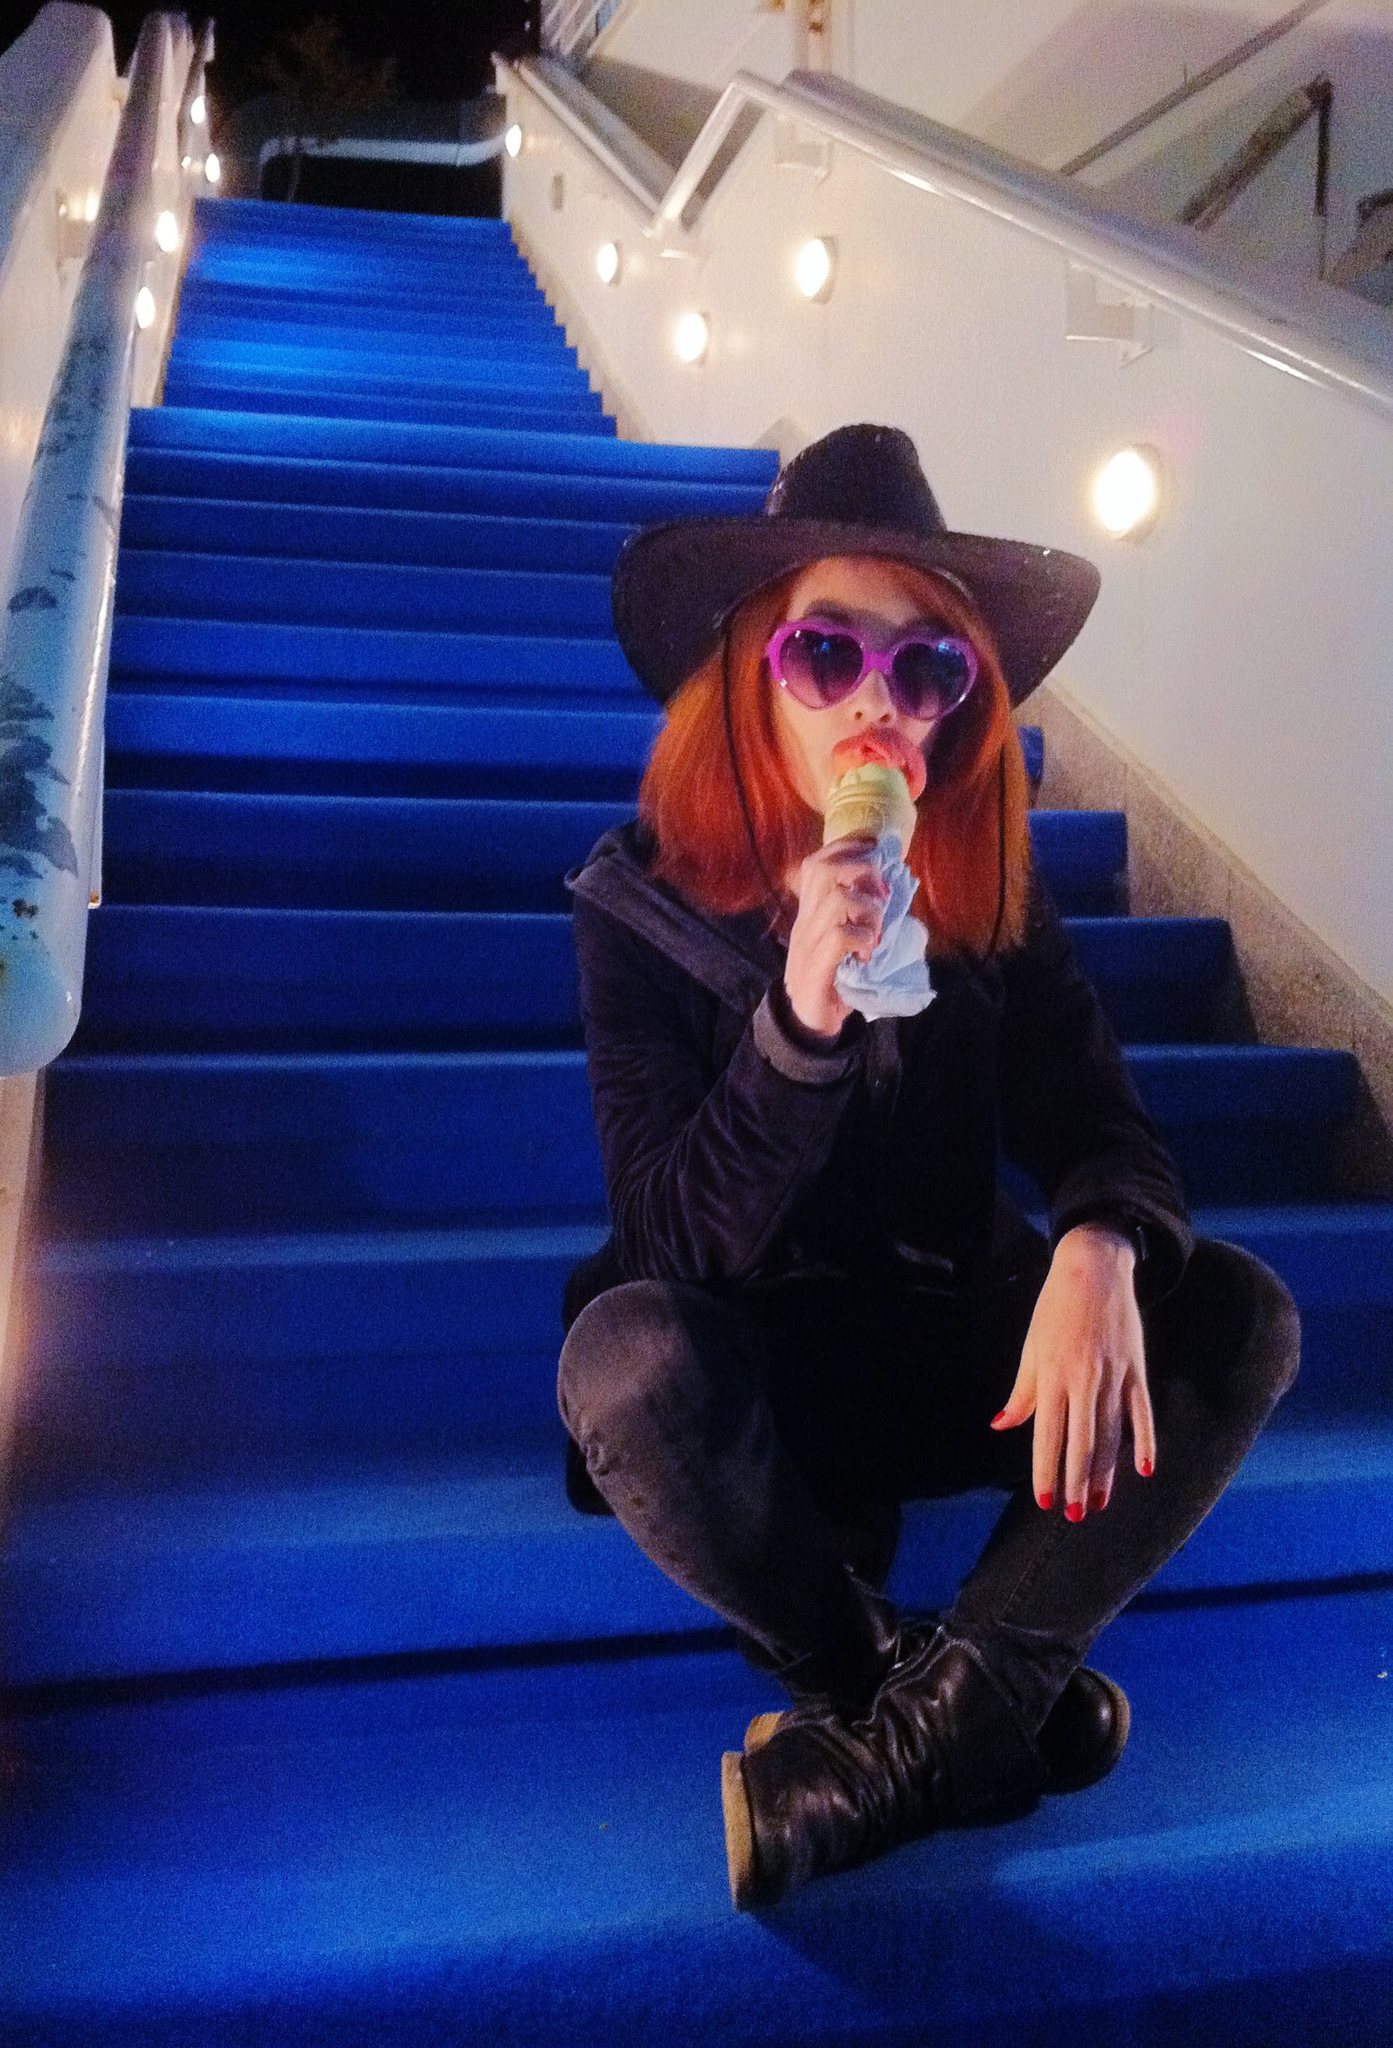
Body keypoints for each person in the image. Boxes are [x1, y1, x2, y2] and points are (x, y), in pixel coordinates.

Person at [556, 424, 1302, 1911]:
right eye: (827, 653)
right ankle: (922, 1687)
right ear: (750, 673)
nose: (875, 706)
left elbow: (1099, 1123)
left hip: (957, 1343)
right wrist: (795, 1029)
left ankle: (899, 1744)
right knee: (624, 1362)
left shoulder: (988, 896)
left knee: (1236, 1313)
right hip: (763, 1391)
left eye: (927, 670)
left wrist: (1098, 1245)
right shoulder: (638, 908)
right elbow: (669, 1238)